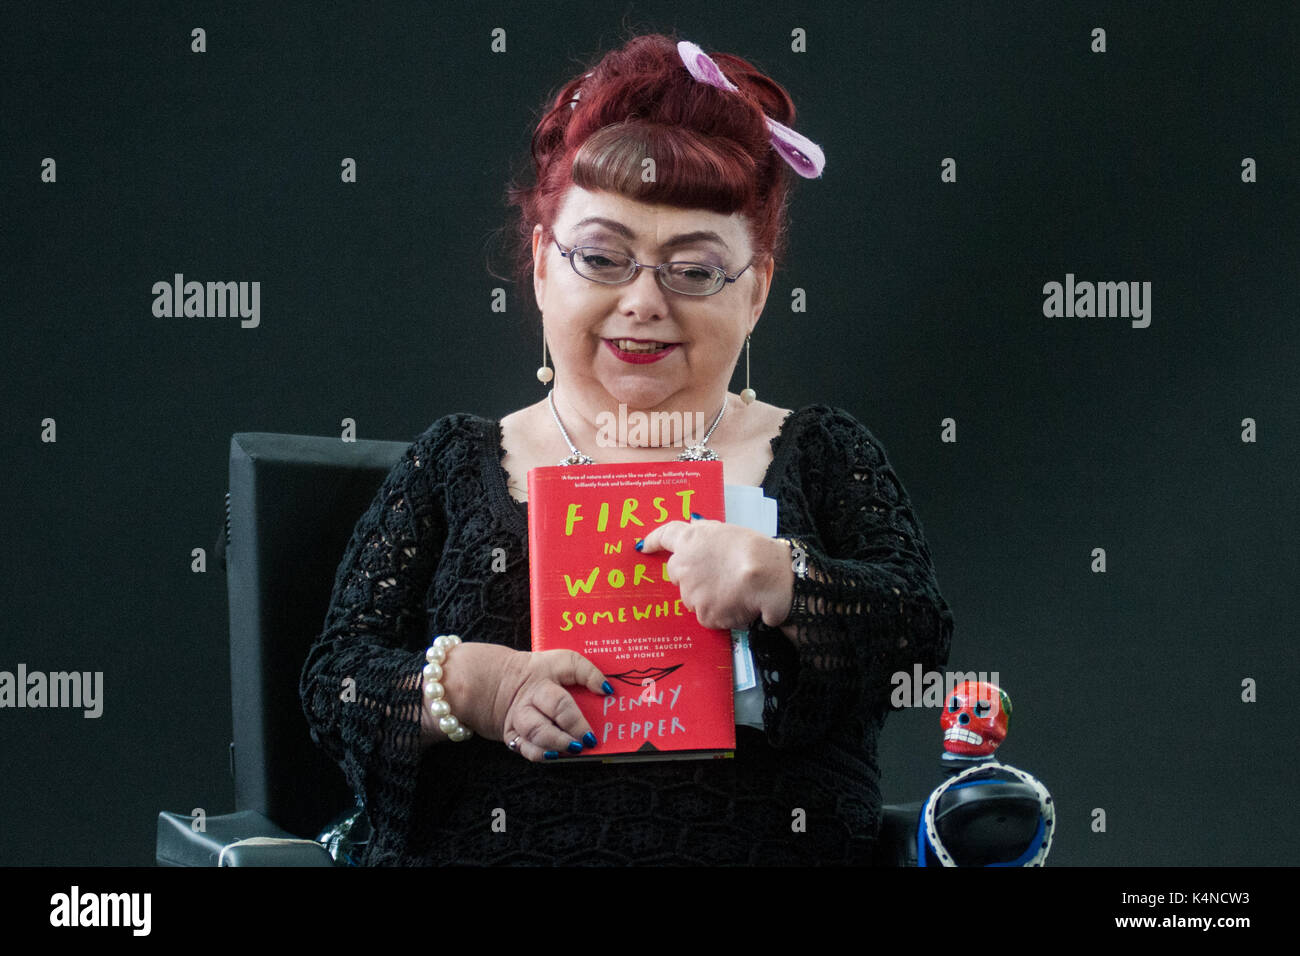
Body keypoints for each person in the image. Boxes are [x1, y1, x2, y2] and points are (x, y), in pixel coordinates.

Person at [299, 31, 954, 865]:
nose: (643, 302)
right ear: (541, 266)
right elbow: (335, 683)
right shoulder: (454, 463)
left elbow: (919, 636)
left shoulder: (822, 452)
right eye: (602, 258)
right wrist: (475, 688)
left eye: (693, 270)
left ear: (755, 291)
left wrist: (789, 582)